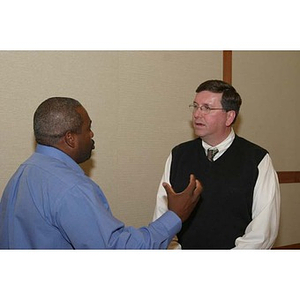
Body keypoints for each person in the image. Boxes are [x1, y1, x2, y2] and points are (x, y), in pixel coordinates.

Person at [0, 97, 202, 249]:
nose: (92, 134)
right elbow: (115, 250)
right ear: (70, 139)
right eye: (88, 128)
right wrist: (175, 215)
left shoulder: (24, 172)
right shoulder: (71, 188)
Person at [153, 79, 280, 249]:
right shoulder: (178, 155)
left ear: (229, 116)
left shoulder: (257, 159)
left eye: (207, 108)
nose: (197, 114)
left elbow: (263, 233)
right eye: (196, 106)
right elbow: (162, 219)